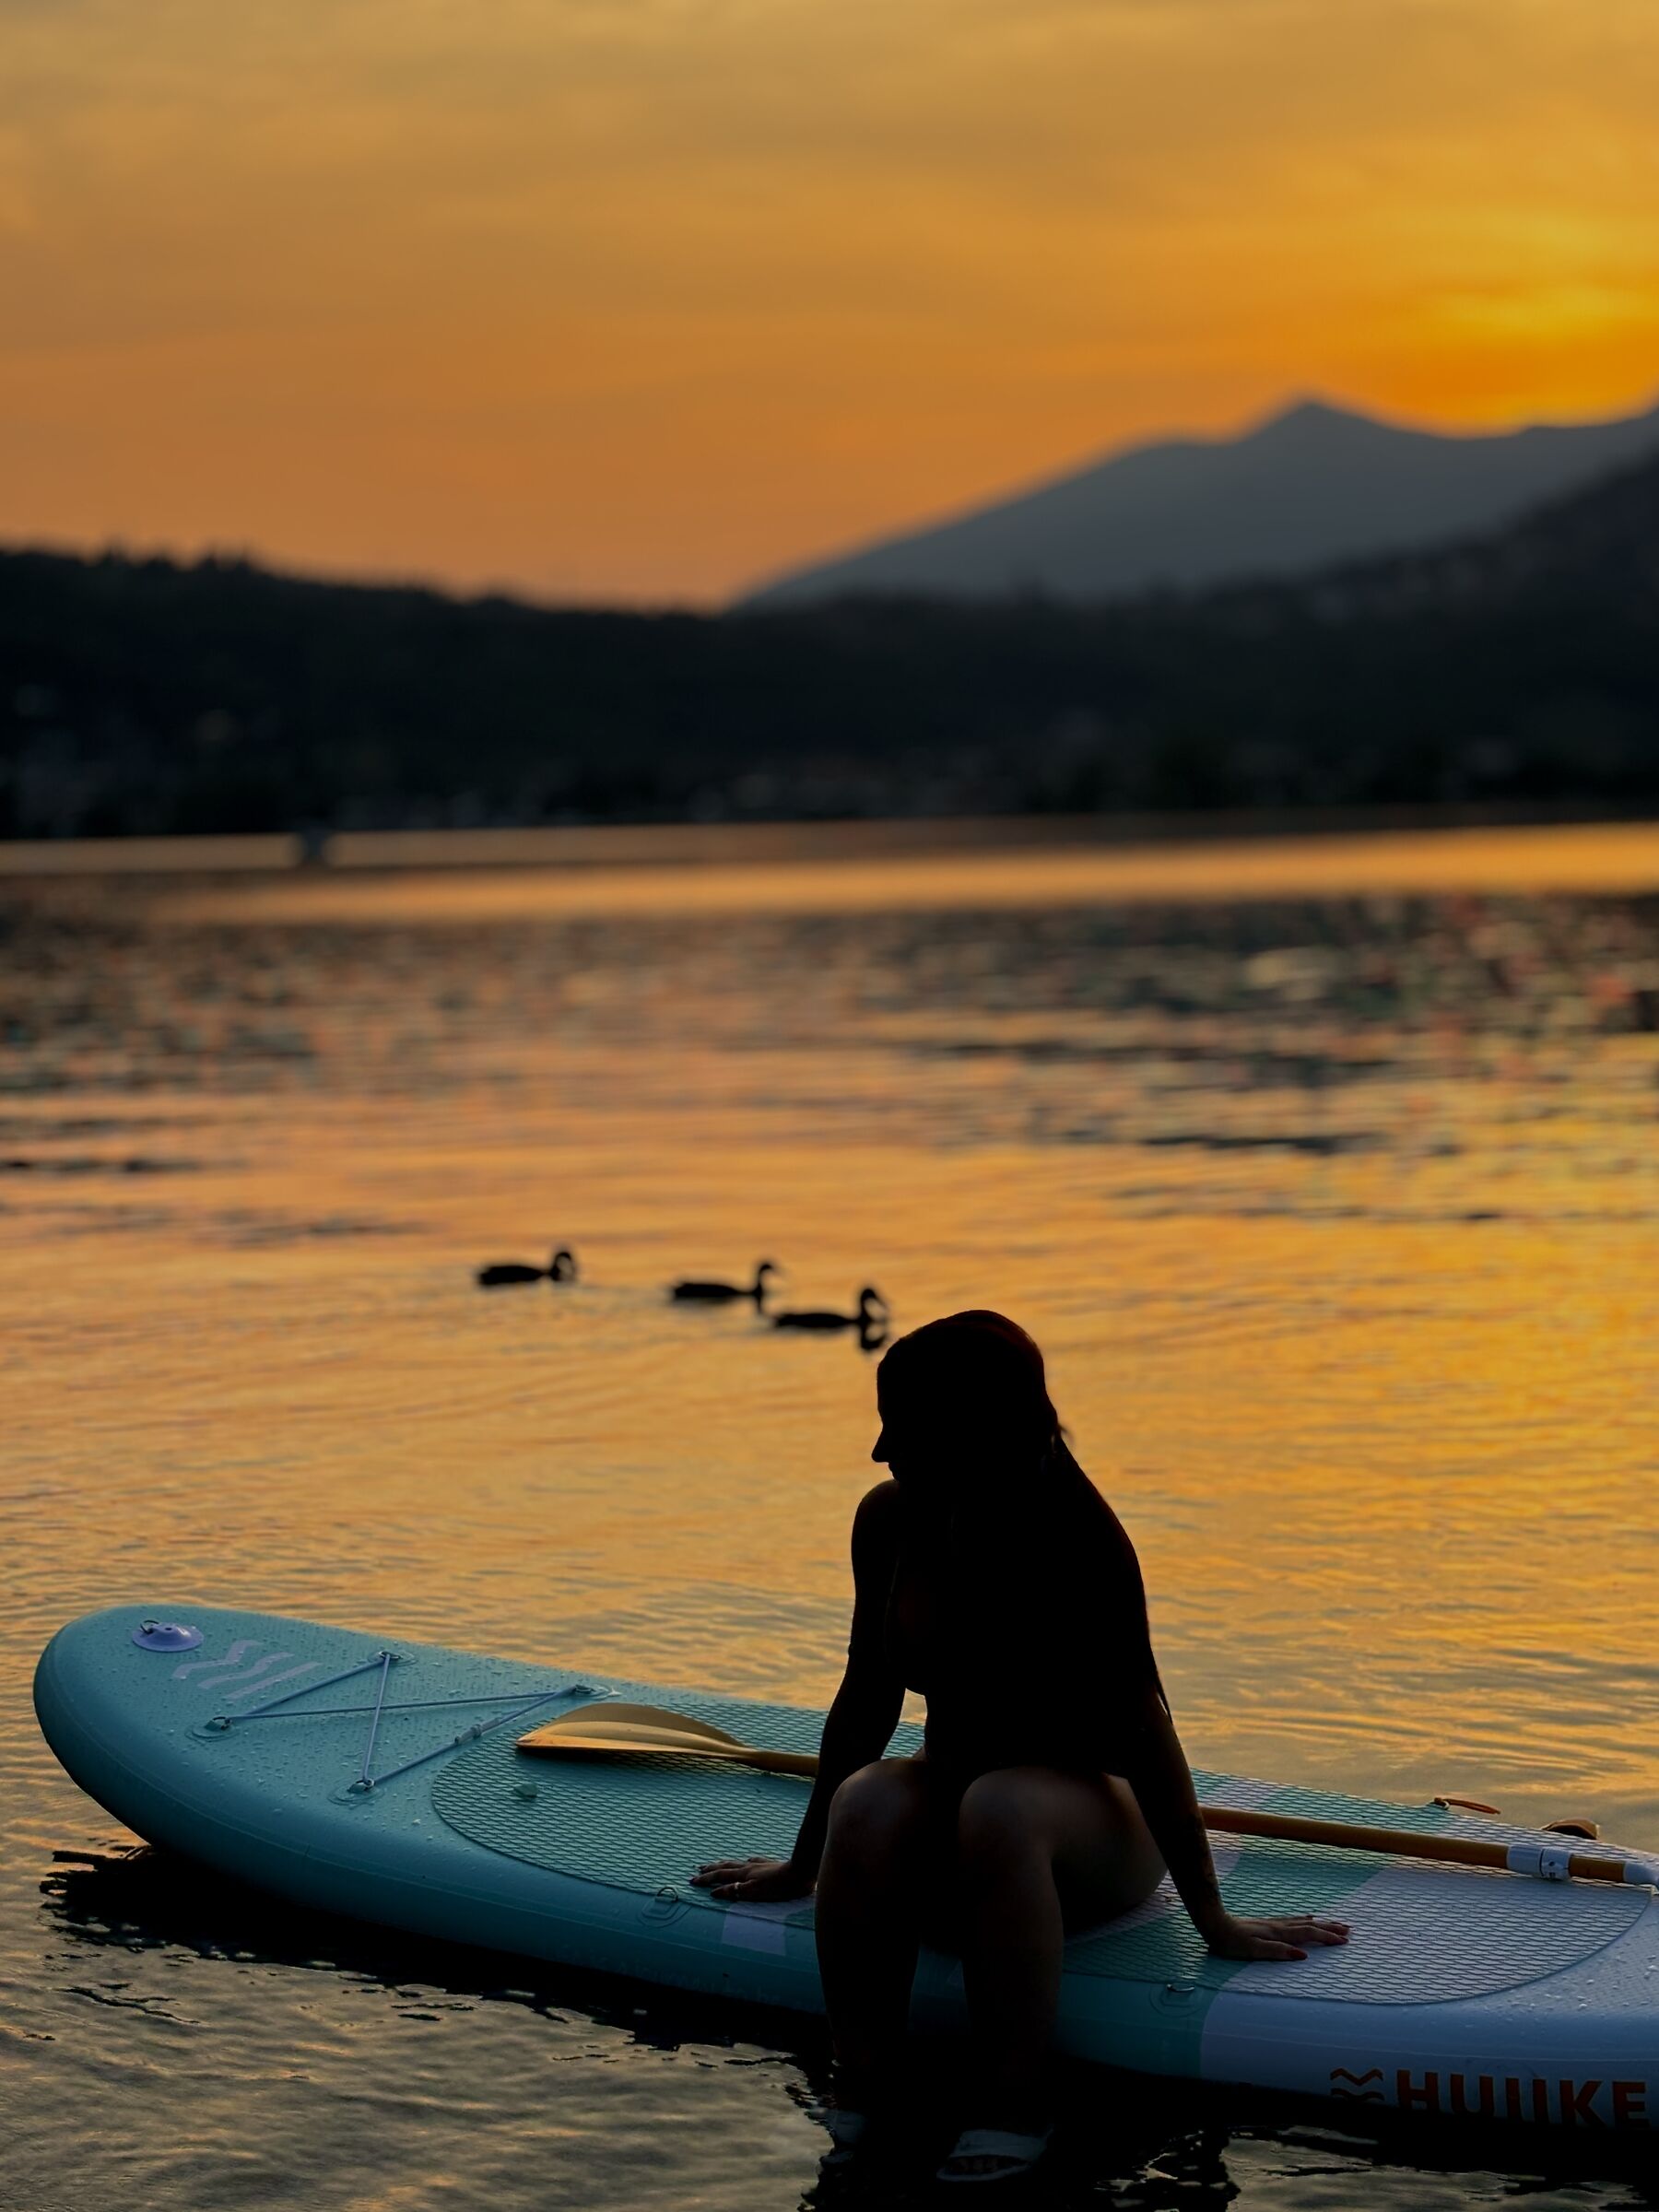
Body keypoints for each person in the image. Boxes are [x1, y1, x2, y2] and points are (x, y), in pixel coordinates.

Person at [692, 1310, 1348, 2183]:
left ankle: (1015, 2103)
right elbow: (866, 1699)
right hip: (958, 1802)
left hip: (1090, 1829)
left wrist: (1213, 1919)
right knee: (869, 1800)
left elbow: (1149, 1740)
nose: (880, 1451)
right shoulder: (888, 1522)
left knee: (999, 1806)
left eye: (902, 1427)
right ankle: (864, 2081)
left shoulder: (1076, 1540)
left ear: (973, 1430)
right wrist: (804, 1864)